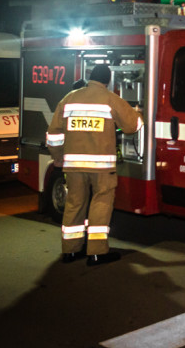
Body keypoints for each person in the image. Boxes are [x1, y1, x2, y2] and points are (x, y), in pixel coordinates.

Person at [46, 64, 143, 266]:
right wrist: (139, 113)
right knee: (101, 203)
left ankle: (70, 251)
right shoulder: (110, 99)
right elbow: (132, 126)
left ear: (90, 77)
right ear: (107, 80)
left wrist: (57, 157)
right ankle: (97, 252)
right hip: (101, 167)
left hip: (73, 166)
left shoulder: (69, 99)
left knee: (74, 204)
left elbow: (53, 134)